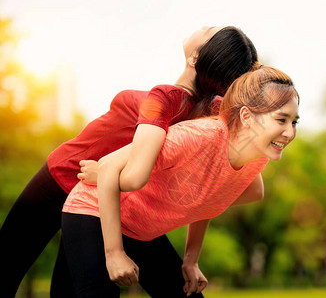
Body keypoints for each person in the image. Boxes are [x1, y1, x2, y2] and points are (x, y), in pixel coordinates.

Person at [0, 26, 260, 298]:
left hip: (110, 201)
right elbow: (207, 190)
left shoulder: (172, 105)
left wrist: (191, 259)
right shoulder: (210, 118)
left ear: (195, 58)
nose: (203, 27)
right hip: (68, 178)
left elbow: (206, 189)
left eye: (209, 33)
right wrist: (190, 258)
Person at [61, 66, 300, 297]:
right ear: (246, 116)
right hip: (95, 212)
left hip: (141, 231)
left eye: (294, 122)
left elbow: (211, 195)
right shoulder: (198, 137)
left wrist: (191, 260)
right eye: (281, 120)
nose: (289, 133)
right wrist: (114, 253)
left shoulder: (255, 161)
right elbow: (107, 166)